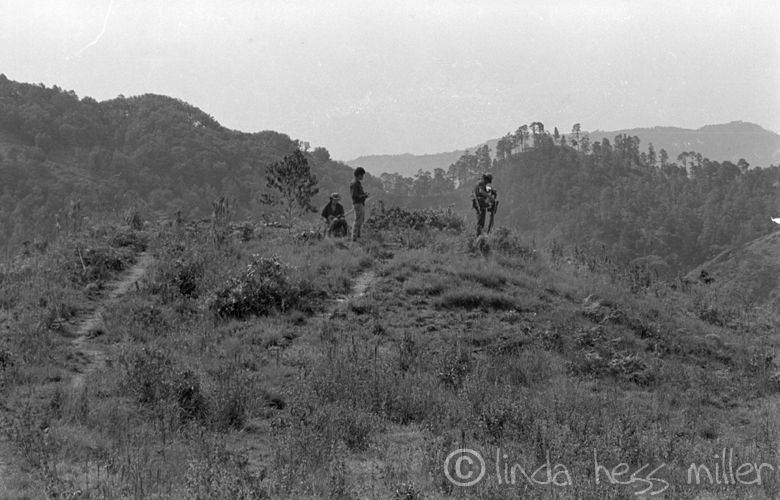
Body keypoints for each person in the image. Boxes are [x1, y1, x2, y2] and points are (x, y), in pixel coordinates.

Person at [350, 167, 369, 241]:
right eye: (362, 175)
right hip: (358, 204)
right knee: (358, 220)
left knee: (360, 220)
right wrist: (364, 196)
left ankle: (357, 237)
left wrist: (364, 194)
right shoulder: (354, 183)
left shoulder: (357, 183)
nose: (363, 177)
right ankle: (354, 238)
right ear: (359, 175)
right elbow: (354, 195)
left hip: (360, 203)